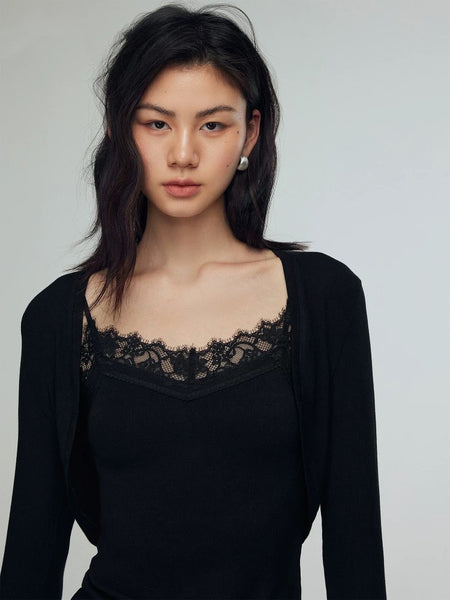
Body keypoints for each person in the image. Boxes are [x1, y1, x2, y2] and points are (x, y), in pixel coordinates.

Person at [0, 3, 387, 599]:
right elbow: (33, 545)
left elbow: (355, 539)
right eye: (157, 123)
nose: (183, 154)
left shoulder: (324, 298)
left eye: (212, 125)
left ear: (250, 133)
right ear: (118, 129)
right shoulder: (57, 317)